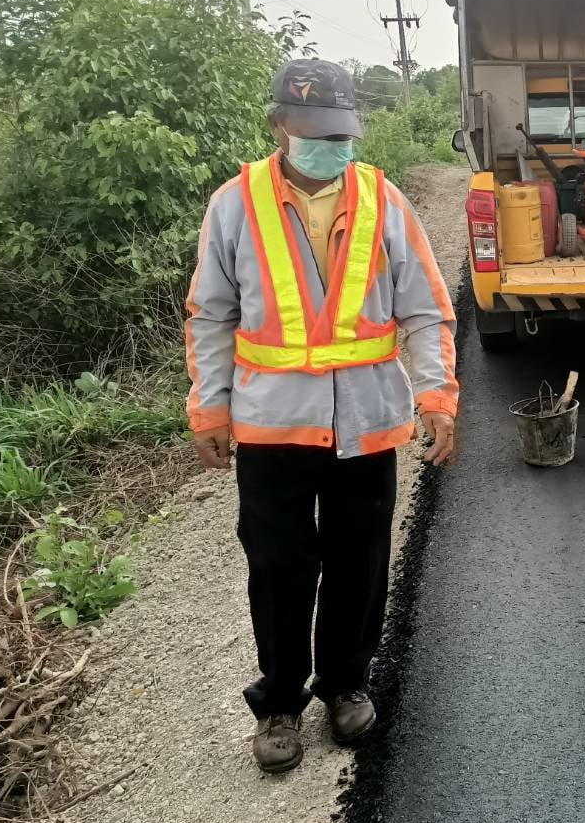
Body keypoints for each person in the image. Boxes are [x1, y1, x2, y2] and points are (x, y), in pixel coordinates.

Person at [185, 58, 461, 774]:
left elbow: (426, 310)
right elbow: (210, 316)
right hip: (270, 426)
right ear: (279, 125)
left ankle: (344, 683)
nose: (330, 145)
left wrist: (437, 397)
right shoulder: (235, 205)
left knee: (358, 563)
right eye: (313, 131)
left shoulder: (384, 202)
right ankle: (280, 702)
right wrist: (209, 408)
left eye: (340, 132)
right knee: (278, 568)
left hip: (365, 422)